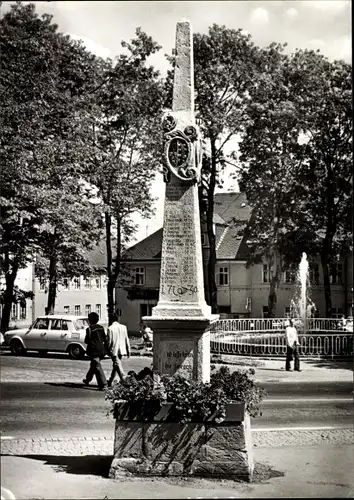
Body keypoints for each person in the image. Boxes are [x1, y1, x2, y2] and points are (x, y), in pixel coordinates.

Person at [83, 312, 108, 390]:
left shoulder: (89, 329)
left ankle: (104, 384)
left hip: (93, 350)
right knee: (93, 365)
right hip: (102, 349)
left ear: (90, 320)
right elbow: (104, 338)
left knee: (97, 366)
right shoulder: (101, 327)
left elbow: (86, 340)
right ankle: (88, 379)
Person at [106, 313, 130, 387]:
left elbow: (109, 341)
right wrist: (128, 349)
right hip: (122, 349)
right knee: (116, 364)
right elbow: (127, 339)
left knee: (117, 364)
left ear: (111, 319)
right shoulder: (124, 327)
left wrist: (107, 349)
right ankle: (110, 380)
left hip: (114, 349)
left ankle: (124, 380)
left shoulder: (110, 328)